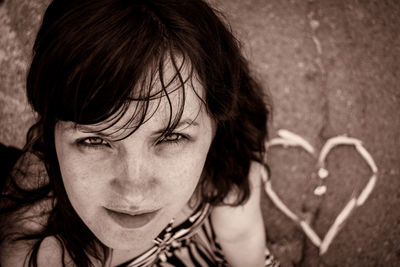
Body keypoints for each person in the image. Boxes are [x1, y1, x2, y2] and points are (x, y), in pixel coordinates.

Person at [0, 0, 279, 266]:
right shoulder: (32, 242)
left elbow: (241, 237)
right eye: (94, 140)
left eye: (172, 137)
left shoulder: (229, 155)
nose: (133, 194)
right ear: (51, 134)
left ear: (219, 123)